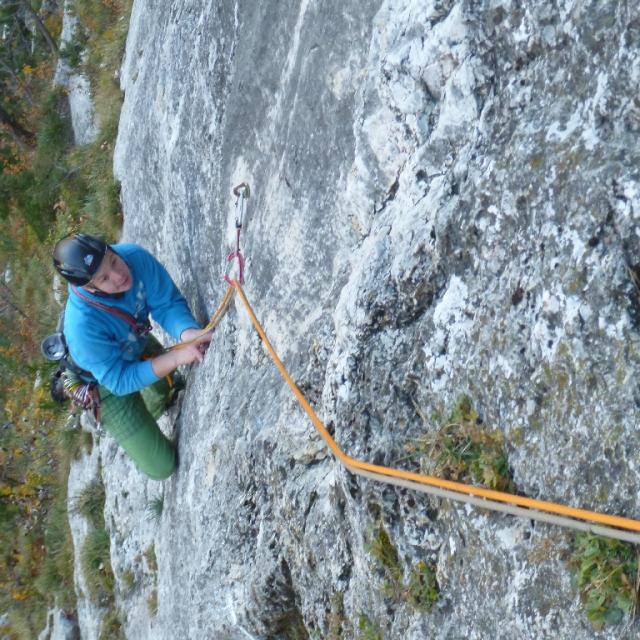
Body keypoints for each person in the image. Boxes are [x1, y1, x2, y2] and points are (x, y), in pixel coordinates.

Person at [51, 233, 212, 480]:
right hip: (104, 384)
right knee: (162, 467)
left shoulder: (134, 257)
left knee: (168, 391)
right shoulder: (82, 328)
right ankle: (128, 422)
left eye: (113, 261)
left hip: (134, 343)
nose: (119, 275)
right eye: (104, 278)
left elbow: (165, 303)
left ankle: (155, 401)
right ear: (88, 287)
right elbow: (120, 381)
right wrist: (176, 358)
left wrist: (187, 332)